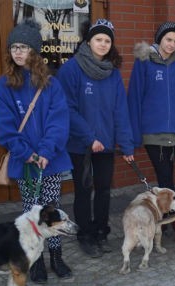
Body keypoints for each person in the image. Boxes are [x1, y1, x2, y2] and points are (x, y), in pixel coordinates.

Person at [0, 19, 74, 282]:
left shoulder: (51, 84)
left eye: (23, 47)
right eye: (14, 46)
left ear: (34, 52)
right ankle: (34, 260)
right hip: (25, 160)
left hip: (50, 160)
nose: (17, 51)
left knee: (52, 211)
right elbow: (4, 126)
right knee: (31, 212)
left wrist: (46, 151)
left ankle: (57, 256)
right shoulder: (4, 86)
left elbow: (58, 121)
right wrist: (26, 153)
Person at [57, 19, 135, 258]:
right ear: (88, 40)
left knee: (103, 189)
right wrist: (89, 138)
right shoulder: (71, 69)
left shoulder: (111, 72)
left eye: (107, 40)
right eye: (98, 39)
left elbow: (120, 110)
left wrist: (127, 143)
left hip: (107, 144)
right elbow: (67, 109)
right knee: (83, 190)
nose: (103, 44)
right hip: (81, 144)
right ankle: (85, 234)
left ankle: (101, 230)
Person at [127, 21, 175, 245]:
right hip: (152, 131)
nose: (172, 45)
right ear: (159, 39)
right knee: (165, 176)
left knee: (167, 176)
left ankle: (164, 219)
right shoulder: (144, 62)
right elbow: (134, 97)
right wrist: (134, 133)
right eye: (168, 40)